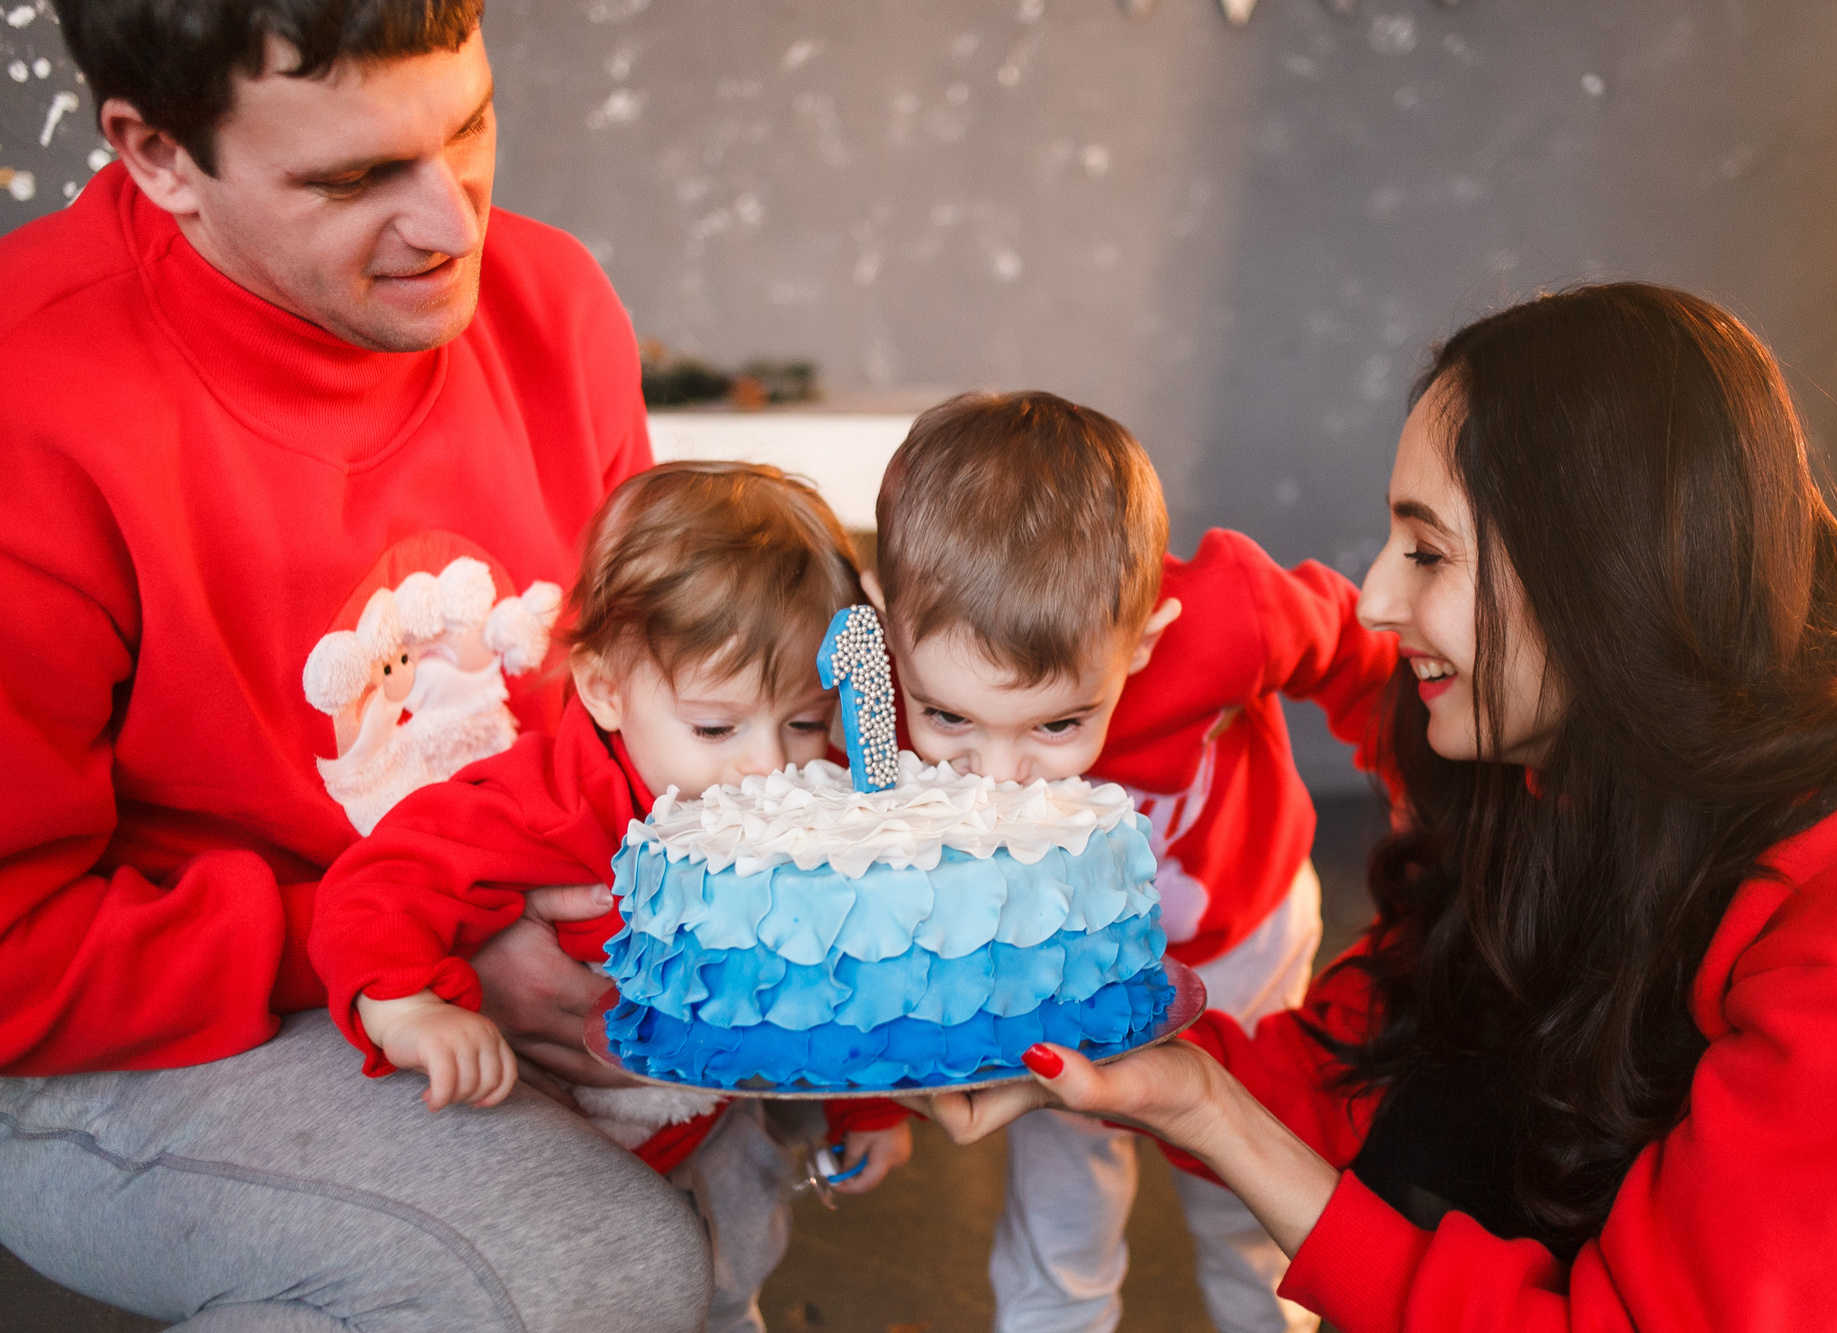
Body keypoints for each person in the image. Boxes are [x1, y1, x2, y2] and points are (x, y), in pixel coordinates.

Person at [918, 283, 1837, 1331]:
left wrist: (1215, 1117)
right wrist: (1166, 1086)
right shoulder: (1552, 772)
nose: (1377, 599)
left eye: (1428, 552)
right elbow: (1379, 1067)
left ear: (1606, 575)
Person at [0, 0, 713, 1325]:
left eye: (471, 127)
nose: (455, 228)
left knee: (724, 1179)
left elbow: (642, 716)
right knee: (583, 1269)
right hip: (119, 1030)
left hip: (476, 931)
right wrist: (425, 946)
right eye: (353, 177)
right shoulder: (27, 401)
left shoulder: (556, 305)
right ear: (157, 156)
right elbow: (14, 961)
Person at [312, 461, 915, 1333]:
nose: (767, 764)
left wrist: (870, 1102)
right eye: (715, 727)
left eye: (804, 719)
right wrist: (407, 1010)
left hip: (714, 1120)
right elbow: (379, 883)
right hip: (563, 1126)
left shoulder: (814, 797)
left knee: (738, 1251)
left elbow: (844, 960)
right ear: (603, 687)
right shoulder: (552, 800)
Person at [867, 391, 1402, 1333]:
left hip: (1243, 933)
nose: (1000, 778)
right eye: (948, 717)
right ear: (888, 630)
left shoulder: (1232, 614)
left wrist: (1425, 799)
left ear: (1144, 642)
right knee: (1060, 1200)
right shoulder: (872, 708)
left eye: (1059, 723)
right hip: (1059, 968)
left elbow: (1363, 654)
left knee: (1244, 1207)